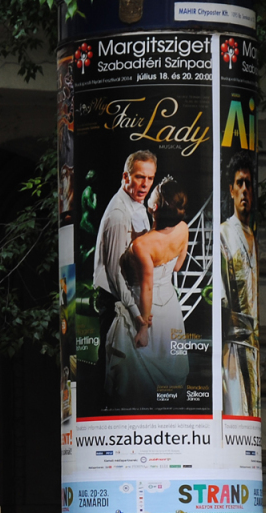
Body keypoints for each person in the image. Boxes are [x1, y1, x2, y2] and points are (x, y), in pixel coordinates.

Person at [105, 180, 191, 407]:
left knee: (137, 372)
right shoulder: (184, 228)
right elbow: (177, 266)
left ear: (155, 206)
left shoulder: (143, 244)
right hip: (170, 307)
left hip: (147, 308)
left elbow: (147, 287)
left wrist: (143, 327)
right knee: (168, 363)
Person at [93, 150, 157, 410]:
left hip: (130, 298)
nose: (145, 184)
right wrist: (137, 313)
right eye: (140, 177)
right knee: (118, 375)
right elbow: (115, 273)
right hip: (114, 301)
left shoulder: (137, 203)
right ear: (125, 177)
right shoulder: (119, 214)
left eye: (150, 178)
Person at [219, 151, 258, 417]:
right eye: (239, 183)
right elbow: (221, 300)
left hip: (255, 349)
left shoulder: (255, 236)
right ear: (231, 190)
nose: (244, 190)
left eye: (248, 184)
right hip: (234, 349)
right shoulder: (224, 233)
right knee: (237, 414)